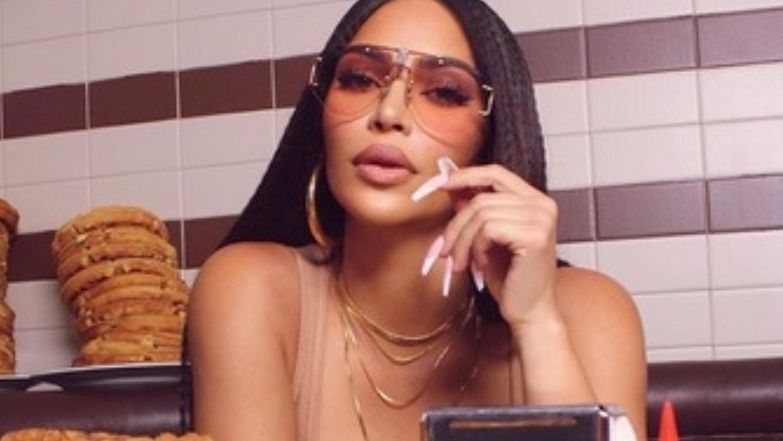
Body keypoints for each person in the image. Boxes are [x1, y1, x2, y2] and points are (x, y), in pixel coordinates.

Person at [186, 0, 647, 440]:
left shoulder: (590, 313)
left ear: (491, 138)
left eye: (444, 92)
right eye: (359, 79)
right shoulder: (250, 290)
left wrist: (537, 324)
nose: (388, 113)